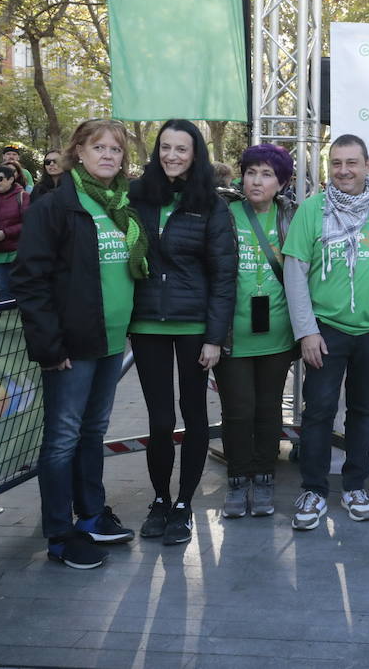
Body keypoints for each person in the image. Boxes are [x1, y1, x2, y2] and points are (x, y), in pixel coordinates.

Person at [15, 118, 146, 570]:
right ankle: (59, 534)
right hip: (71, 347)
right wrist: (50, 347)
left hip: (110, 342)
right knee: (62, 439)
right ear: (79, 152)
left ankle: (90, 514)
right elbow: (30, 281)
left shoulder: (121, 205)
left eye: (115, 149)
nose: (108, 155)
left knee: (93, 432)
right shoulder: (55, 207)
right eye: (99, 147)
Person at [128, 120, 236, 545]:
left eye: (182, 149)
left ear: (196, 155)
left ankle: (183, 504)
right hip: (146, 323)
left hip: (195, 327)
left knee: (194, 417)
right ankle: (159, 499)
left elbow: (224, 276)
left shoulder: (212, 204)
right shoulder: (135, 196)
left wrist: (215, 337)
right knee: (159, 420)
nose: (172, 155)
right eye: (166, 147)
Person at [284, 134, 369, 528]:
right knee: (318, 413)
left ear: (368, 165)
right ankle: (314, 491)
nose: (344, 170)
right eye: (336, 163)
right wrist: (306, 331)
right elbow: (295, 273)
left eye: (352, 162)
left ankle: (354, 486)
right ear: (328, 167)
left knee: (363, 411)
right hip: (324, 330)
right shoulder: (311, 210)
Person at [215, 144, 298, 519]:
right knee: (237, 411)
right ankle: (237, 480)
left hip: (278, 336)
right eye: (251, 172)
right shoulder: (223, 214)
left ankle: (264, 477)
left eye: (267, 174)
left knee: (268, 411)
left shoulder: (291, 217)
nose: (257, 180)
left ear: (281, 182)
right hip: (233, 336)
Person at [0, 164, 30, 302]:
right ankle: (5, 322)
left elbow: (29, 223)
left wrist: (5, 233)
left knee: (21, 288)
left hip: (18, 252)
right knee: (1, 290)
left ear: (11, 179)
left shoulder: (23, 197)